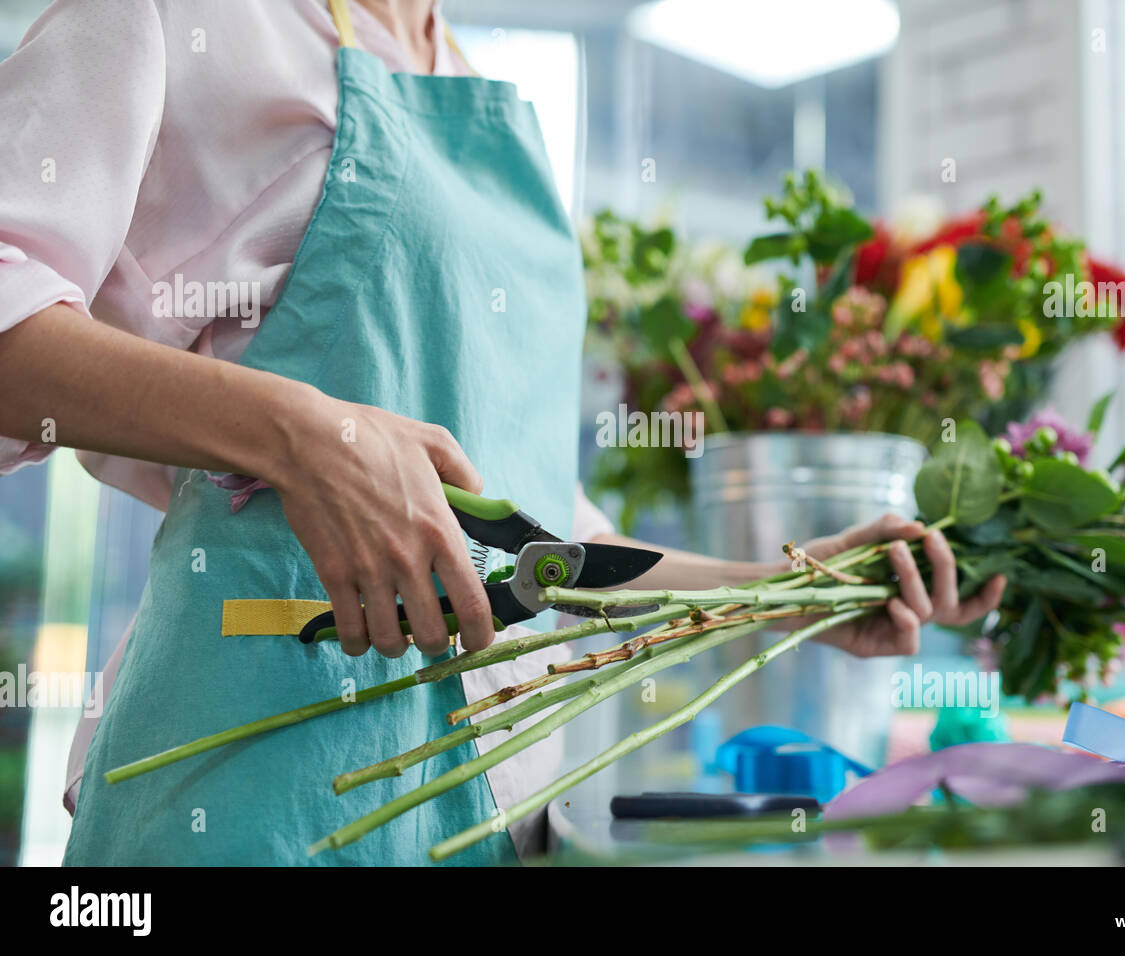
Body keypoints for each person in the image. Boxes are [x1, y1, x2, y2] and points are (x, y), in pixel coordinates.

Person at [0, 0, 1005, 865]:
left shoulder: (478, 83)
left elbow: (526, 531)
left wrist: (787, 591)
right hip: (250, 778)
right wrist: (302, 432)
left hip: (489, 803)